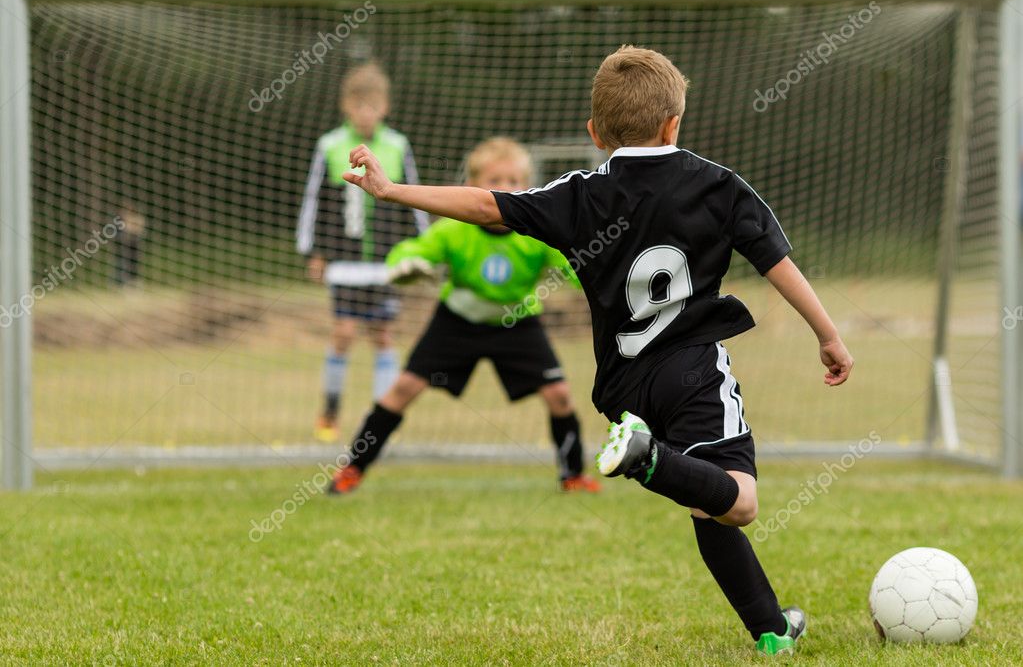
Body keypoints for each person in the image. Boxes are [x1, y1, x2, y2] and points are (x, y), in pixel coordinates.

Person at [339, 45, 854, 656]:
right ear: (674, 122)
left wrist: (393, 190)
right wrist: (828, 334)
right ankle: (647, 458)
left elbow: (484, 205)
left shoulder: (580, 194)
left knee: (704, 501)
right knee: (738, 501)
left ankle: (771, 630)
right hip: (691, 371)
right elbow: (777, 265)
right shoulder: (717, 185)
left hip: (622, 386)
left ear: (594, 132)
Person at [327, 138, 600, 495]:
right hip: (457, 321)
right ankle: (352, 470)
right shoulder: (454, 227)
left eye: (515, 180)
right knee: (403, 389)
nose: (506, 188)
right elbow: (408, 252)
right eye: (495, 179)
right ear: (474, 185)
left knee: (560, 395)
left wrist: (602, 277)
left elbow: (577, 267)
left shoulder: (537, 231)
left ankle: (573, 476)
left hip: (517, 322)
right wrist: (406, 266)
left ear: (529, 185)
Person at [296, 62, 427, 443]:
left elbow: (414, 199)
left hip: (384, 264)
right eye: (359, 105)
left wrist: (420, 251)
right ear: (346, 107)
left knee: (383, 335)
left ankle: (379, 418)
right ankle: (330, 411)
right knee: (344, 332)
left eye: (373, 105)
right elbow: (313, 200)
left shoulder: (397, 146)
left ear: (384, 106)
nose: (366, 113)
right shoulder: (330, 145)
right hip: (343, 263)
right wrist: (313, 253)